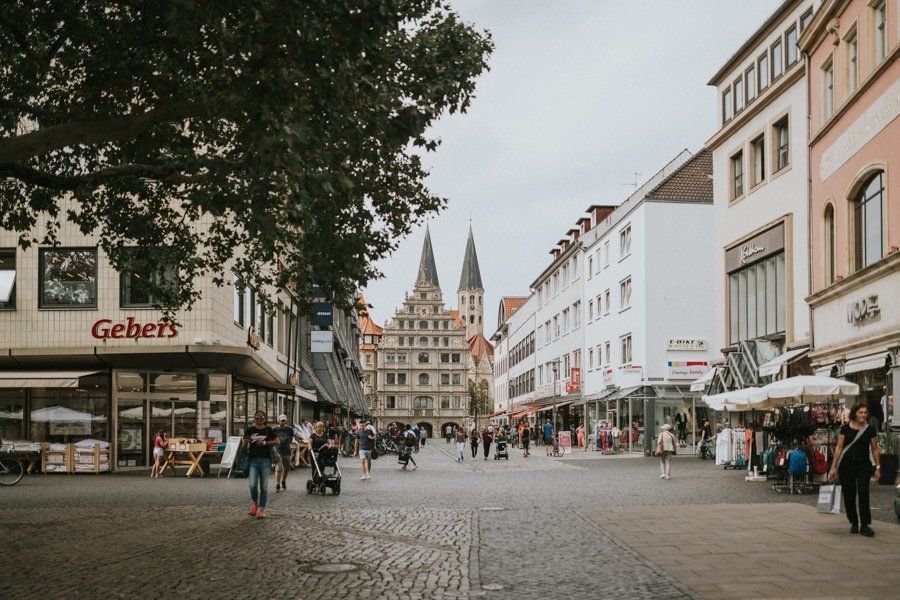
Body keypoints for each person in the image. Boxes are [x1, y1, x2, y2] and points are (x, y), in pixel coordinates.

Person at [829, 403, 881, 537]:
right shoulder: (845, 429)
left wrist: (878, 467)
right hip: (846, 465)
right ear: (855, 413)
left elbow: (874, 449)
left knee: (864, 493)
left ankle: (865, 525)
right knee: (849, 494)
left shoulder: (870, 430)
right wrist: (833, 467)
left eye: (865, 413)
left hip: (864, 465)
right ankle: (854, 522)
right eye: (861, 412)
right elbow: (839, 448)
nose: (863, 415)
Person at [242, 410, 278, 520]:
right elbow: (244, 445)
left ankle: (261, 509)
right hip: (253, 460)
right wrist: (245, 442)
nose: (259, 420)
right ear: (254, 419)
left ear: (264, 419)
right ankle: (254, 503)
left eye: (261, 418)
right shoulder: (250, 430)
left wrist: (265, 442)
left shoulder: (268, 430)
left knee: (264, 486)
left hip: (265, 461)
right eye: (257, 418)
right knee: (252, 485)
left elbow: (277, 441)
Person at [274, 414, 300, 492]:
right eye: (281, 420)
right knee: (279, 468)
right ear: (278, 421)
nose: (283, 422)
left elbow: (295, 435)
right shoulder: (274, 429)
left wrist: (303, 437)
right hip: (277, 451)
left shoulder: (289, 429)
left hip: (287, 451)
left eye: (284, 421)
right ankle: (277, 484)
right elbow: (270, 438)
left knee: (286, 468)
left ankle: (283, 481)